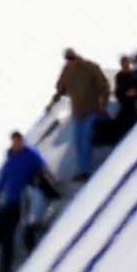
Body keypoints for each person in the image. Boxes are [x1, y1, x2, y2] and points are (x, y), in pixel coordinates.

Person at [0, 131, 53, 272]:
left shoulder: (30, 154)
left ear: (23, 141)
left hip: (26, 197)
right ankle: (5, 271)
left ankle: (34, 259)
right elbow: (4, 177)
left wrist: (37, 177)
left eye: (19, 141)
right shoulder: (10, 158)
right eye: (14, 141)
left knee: (27, 227)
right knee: (7, 234)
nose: (17, 144)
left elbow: (42, 167)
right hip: (11, 200)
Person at [52, 48, 112, 180]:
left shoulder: (90, 67)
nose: (70, 62)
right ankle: (82, 169)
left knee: (86, 139)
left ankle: (86, 170)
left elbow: (104, 85)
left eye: (72, 59)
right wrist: (54, 100)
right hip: (78, 112)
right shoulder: (66, 71)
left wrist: (103, 102)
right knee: (78, 142)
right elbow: (60, 88)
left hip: (92, 109)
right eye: (68, 59)